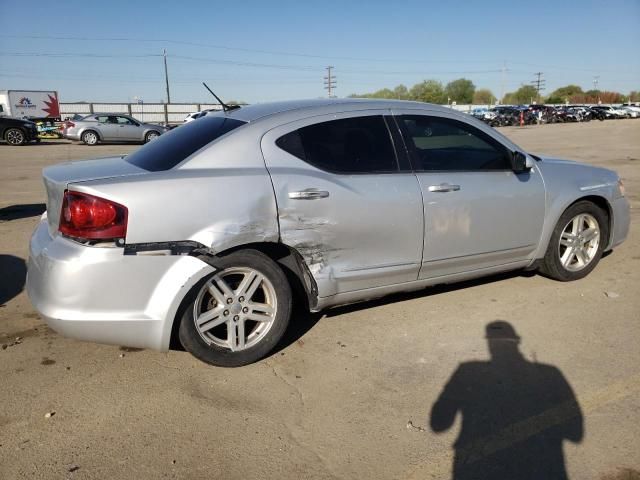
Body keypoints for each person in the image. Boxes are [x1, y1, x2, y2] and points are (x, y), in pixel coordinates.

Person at [430, 321, 583, 480]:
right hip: (541, 468)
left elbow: (438, 425)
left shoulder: (467, 370)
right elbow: (576, 434)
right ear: (517, 341)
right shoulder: (551, 373)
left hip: (478, 469)